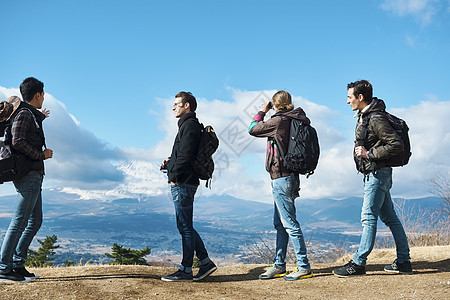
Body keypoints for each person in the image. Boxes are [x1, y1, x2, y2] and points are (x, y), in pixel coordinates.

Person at [333, 80, 412, 277]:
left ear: (360, 98)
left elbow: (395, 144)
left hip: (377, 173)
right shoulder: (367, 116)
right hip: (377, 173)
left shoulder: (375, 118)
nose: (347, 101)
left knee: (368, 217)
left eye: (350, 97)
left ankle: (359, 263)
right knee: (390, 217)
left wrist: (369, 154)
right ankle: (403, 261)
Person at [249, 90, 313, 281]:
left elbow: (253, 128)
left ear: (275, 105)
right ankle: (279, 265)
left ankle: (303, 266)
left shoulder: (278, 121)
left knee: (289, 224)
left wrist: (261, 111)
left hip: (282, 177)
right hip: (289, 176)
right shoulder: (295, 119)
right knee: (280, 224)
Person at [0, 77, 53, 283]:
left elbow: (25, 137)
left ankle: (17, 264)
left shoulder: (30, 114)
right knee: (20, 220)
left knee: (35, 221)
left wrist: (40, 118)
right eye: (43, 94)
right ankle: (4, 268)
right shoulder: (24, 113)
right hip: (28, 173)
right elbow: (18, 141)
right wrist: (41, 155)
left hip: (34, 174)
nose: (44, 97)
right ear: (38, 94)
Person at [160, 91, 216, 282]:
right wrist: (169, 164)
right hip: (185, 180)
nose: (173, 107)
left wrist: (174, 175)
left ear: (187, 106)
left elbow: (185, 156)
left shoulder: (189, 126)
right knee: (185, 226)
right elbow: (183, 155)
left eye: (177, 104)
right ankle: (205, 262)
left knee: (185, 226)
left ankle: (186, 270)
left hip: (183, 182)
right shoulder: (187, 125)